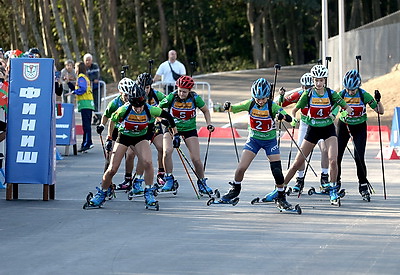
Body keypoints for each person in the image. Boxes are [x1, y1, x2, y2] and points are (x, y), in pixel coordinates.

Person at [88, 82, 180, 209]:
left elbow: (168, 116)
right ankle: (102, 192)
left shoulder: (150, 108)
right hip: (124, 137)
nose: (138, 109)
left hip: (140, 138)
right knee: (112, 169)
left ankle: (148, 192)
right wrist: (109, 138)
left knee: (148, 162)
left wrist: (176, 134)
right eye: (135, 106)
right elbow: (112, 121)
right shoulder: (123, 109)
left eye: (140, 106)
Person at [283, 65, 353, 204]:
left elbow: (348, 108)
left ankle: (333, 189)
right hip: (313, 129)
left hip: (328, 129)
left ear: (325, 80)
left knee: (333, 159)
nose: (318, 83)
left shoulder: (331, 93)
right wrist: (293, 119)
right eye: (316, 80)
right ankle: (280, 188)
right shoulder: (308, 94)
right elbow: (294, 110)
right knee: (298, 162)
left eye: (321, 80)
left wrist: (338, 114)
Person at [220, 78, 294, 209]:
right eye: (257, 98)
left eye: (263, 99)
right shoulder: (250, 104)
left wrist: (282, 117)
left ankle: (281, 196)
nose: (260, 101)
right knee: (241, 168)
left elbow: (289, 118)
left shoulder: (272, 106)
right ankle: (235, 190)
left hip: (270, 141)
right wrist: (227, 106)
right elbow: (234, 108)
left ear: (267, 97)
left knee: (277, 171)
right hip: (254, 140)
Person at [158, 75, 214, 194]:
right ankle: (169, 179)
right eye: (179, 90)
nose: (181, 94)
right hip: (172, 128)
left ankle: (202, 182)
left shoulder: (194, 98)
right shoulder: (171, 97)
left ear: (189, 91)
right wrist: (160, 119)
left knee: (196, 159)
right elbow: (158, 109)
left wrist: (209, 123)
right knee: (167, 151)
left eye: (184, 91)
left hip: (189, 129)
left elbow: (205, 110)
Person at [335, 69, 384, 201]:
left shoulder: (363, 95)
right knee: (337, 156)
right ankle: (336, 183)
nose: (350, 92)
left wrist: (378, 100)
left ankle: (363, 185)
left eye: (353, 89)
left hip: (360, 127)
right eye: (348, 89)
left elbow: (380, 111)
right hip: (343, 126)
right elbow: (332, 111)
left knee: (359, 157)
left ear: (358, 86)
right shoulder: (341, 95)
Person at [278, 73, 330, 194]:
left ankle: (324, 178)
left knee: (325, 150)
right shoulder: (301, 94)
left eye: (309, 87)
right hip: (305, 124)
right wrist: (281, 96)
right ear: (302, 87)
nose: (307, 90)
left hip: (319, 124)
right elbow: (283, 103)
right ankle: (299, 180)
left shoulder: (321, 93)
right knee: (301, 153)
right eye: (304, 87)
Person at [96, 78, 136, 191]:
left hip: (129, 131)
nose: (128, 98)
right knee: (109, 156)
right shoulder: (115, 102)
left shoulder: (135, 102)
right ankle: (107, 183)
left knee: (130, 154)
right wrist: (102, 125)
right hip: (116, 131)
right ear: (120, 92)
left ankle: (128, 179)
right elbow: (106, 115)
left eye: (130, 95)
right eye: (125, 95)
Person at [136, 72, 166, 187]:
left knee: (162, 148)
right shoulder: (136, 96)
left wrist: (163, 117)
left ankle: (161, 173)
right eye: (143, 87)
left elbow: (168, 102)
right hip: (142, 127)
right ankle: (137, 179)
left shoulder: (156, 95)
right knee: (143, 155)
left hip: (154, 125)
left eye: (147, 87)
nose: (145, 90)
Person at [66, 61, 95, 152]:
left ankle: (88, 143)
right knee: (86, 125)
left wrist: (74, 92)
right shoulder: (84, 77)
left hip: (85, 104)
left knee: (86, 125)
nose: (74, 69)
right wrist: (69, 84)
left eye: (75, 67)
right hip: (87, 103)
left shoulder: (81, 77)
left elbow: (82, 89)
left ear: (79, 68)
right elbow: (77, 88)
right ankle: (85, 143)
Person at [83, 53, 102, 124]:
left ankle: (97, 117)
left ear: (91, 60)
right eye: (86, 60)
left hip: (97, 88)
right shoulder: (83, 67)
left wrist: (91, 78)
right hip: (88, 89)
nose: (87, 62)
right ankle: (98, 117)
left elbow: (96, 76)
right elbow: (84, 76)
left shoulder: (95, 66)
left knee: (97, 103)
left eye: (89, 60)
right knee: (91, 104)